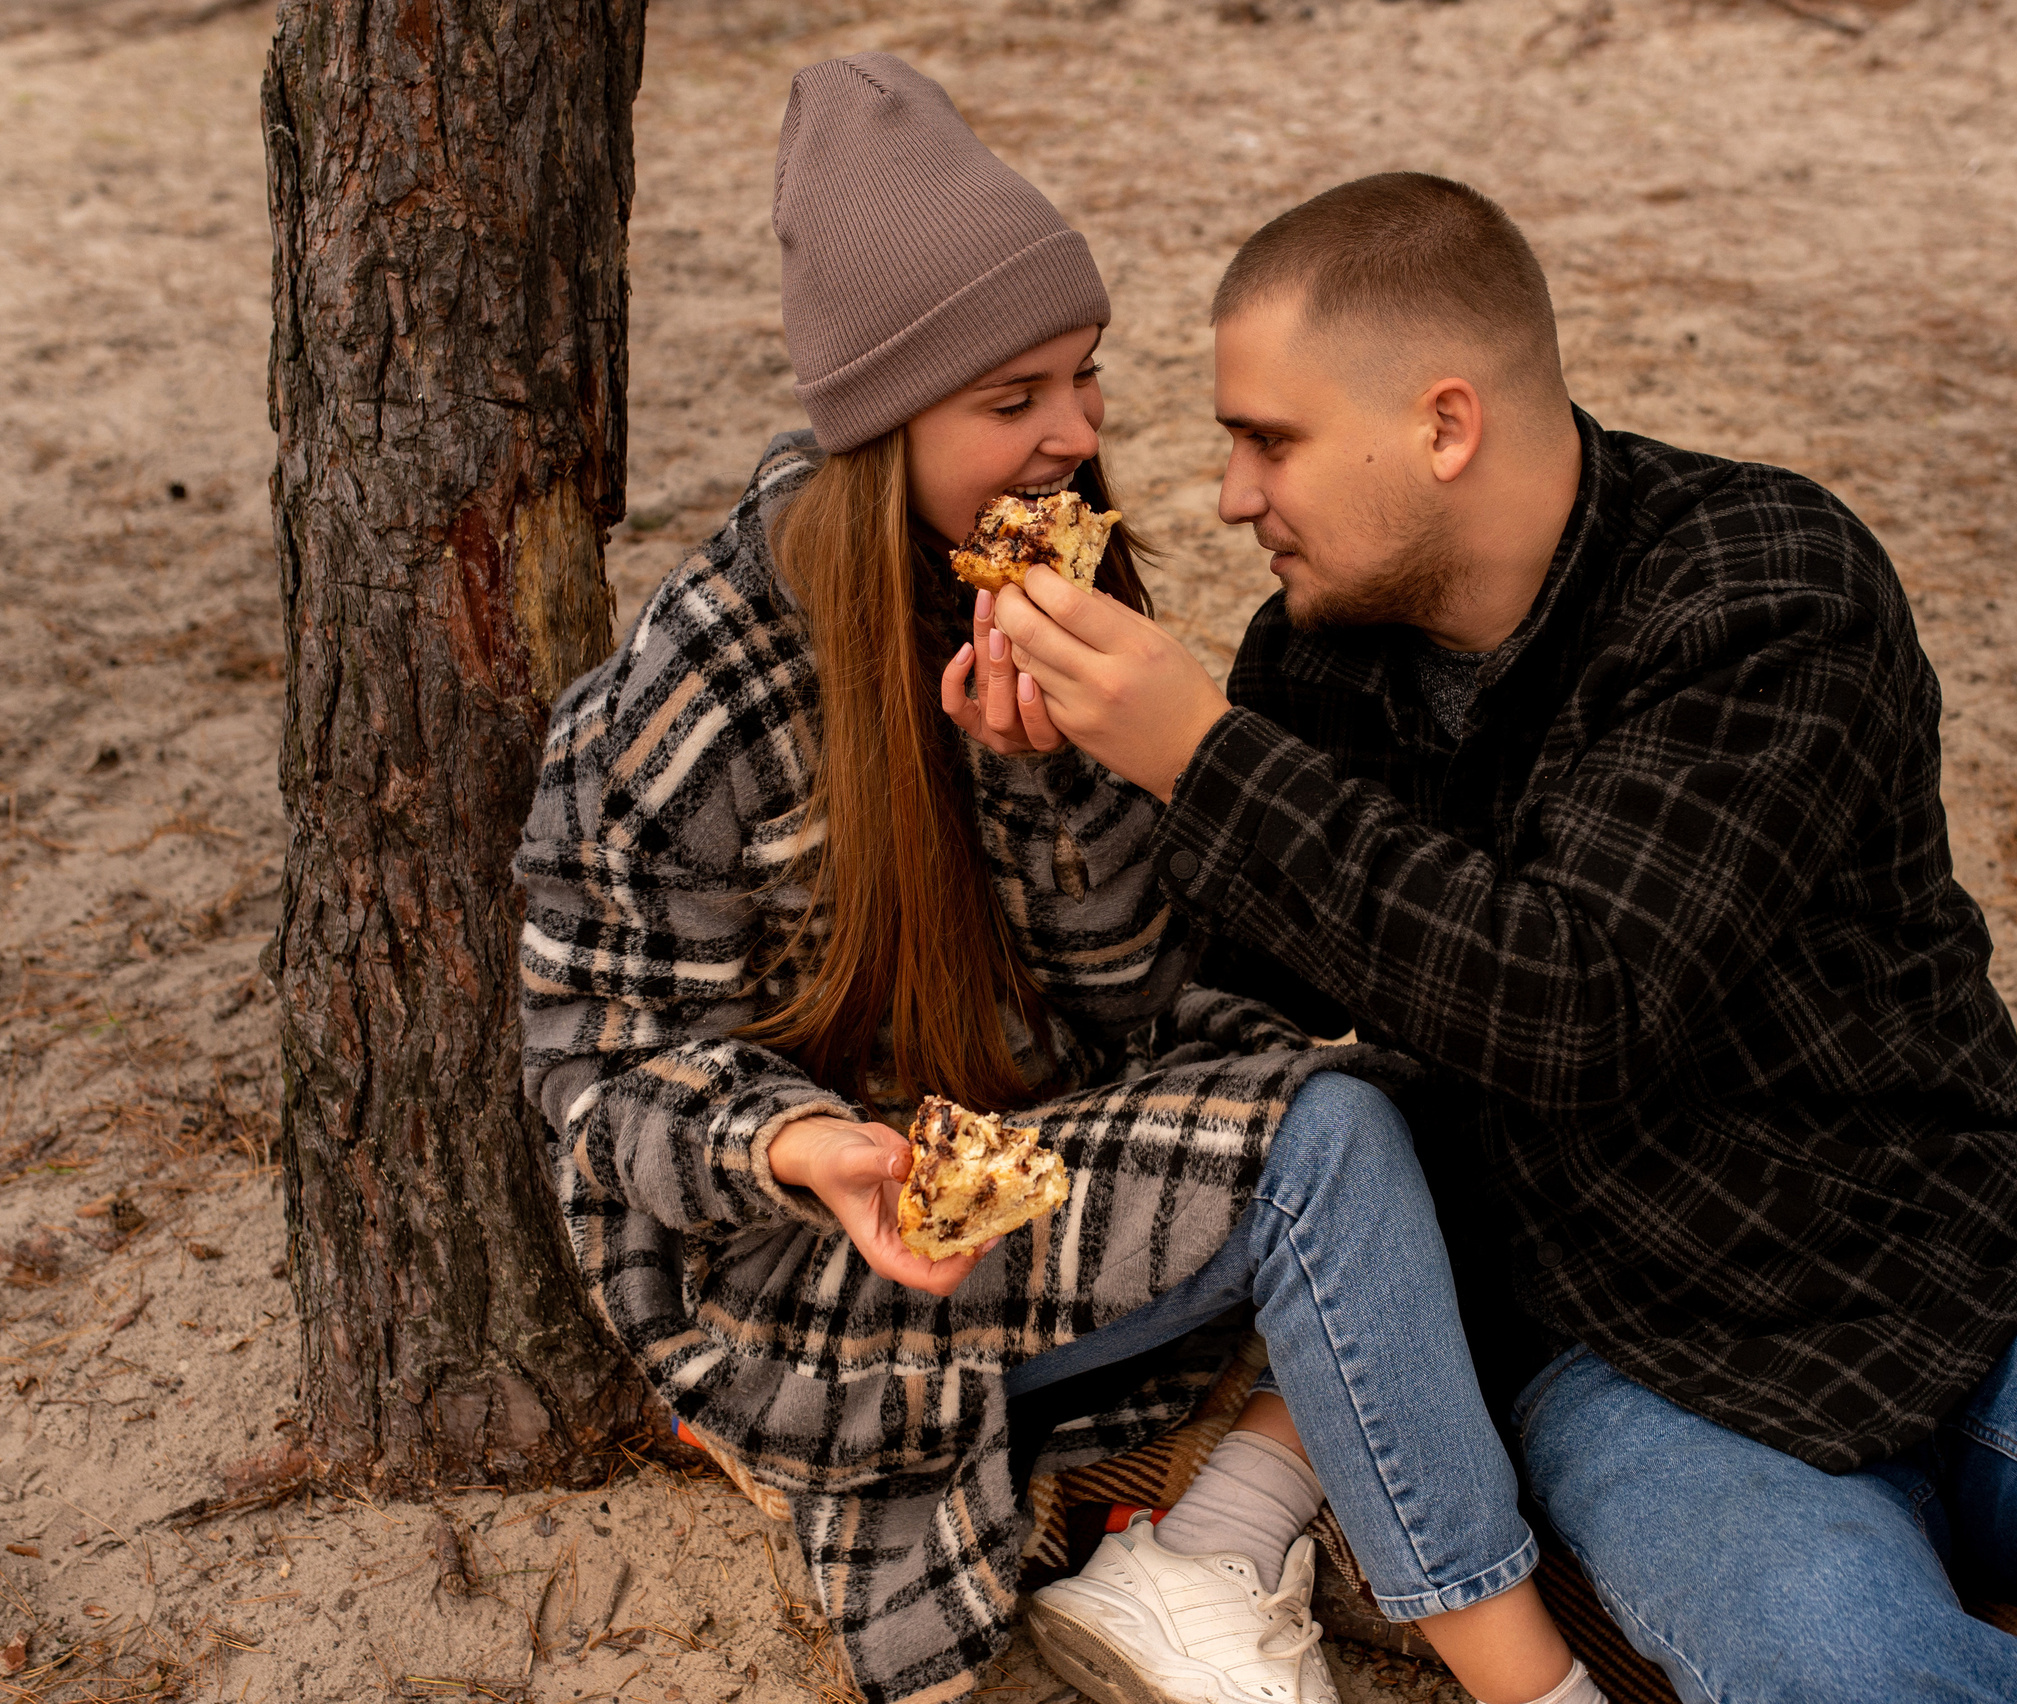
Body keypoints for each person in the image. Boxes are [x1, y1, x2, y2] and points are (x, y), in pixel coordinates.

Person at [990, 172, 2017, 1703]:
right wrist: (1064, 782)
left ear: (1444, 425)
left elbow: (1579, 996)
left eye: (1264, 439)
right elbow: (1205, 1001)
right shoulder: (1318, 665)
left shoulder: (1763, 585)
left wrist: (1207, 758)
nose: (1225, 495)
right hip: (1627, 1341)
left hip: (1948, 1237)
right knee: (1849, 1667)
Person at [514, 70, 1598, 1704]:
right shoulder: (697, 696)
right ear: (886, 424)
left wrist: (1054, 780)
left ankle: (1218, 1549)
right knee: (1335, 1150)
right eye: (1016, 397)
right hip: (801, 1261)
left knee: (1428, 1088)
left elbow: (1126, 1004)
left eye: (1081, 379)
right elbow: (593, 1087)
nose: (1079, 435)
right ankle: (1528, 1681)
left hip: (1016, 1170)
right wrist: (798, 1144)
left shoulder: (1055, 581)